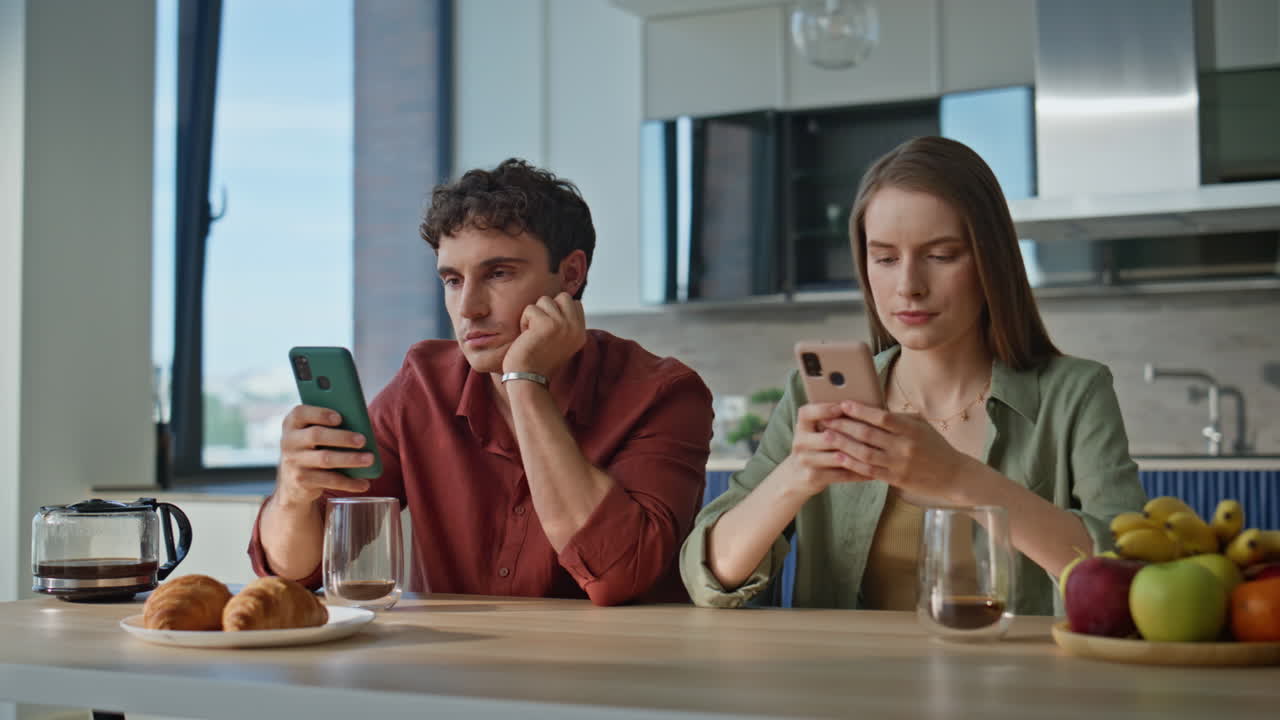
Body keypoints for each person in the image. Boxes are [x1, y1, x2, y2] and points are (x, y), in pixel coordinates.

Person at [680, 136, 1146, 614]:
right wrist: (796, 477)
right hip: (850, 683)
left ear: (991, 260)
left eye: (941, 256)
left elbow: (1132, 578)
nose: (908, 286)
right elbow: (709, 575)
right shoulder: (812, 398)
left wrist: (959, 479)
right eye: (884, 258)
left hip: (1016, 684)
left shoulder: (1076, 393)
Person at [250, 159, 714, 606]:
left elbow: (617, 575)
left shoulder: (663, 394)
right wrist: (294, 494)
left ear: (571, 274)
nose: (469, 307)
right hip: (456, 670)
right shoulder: (424, 385)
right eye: (452, 280)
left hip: (616, 673)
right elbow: (296, 573)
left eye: (498, 274)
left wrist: (525, 380)